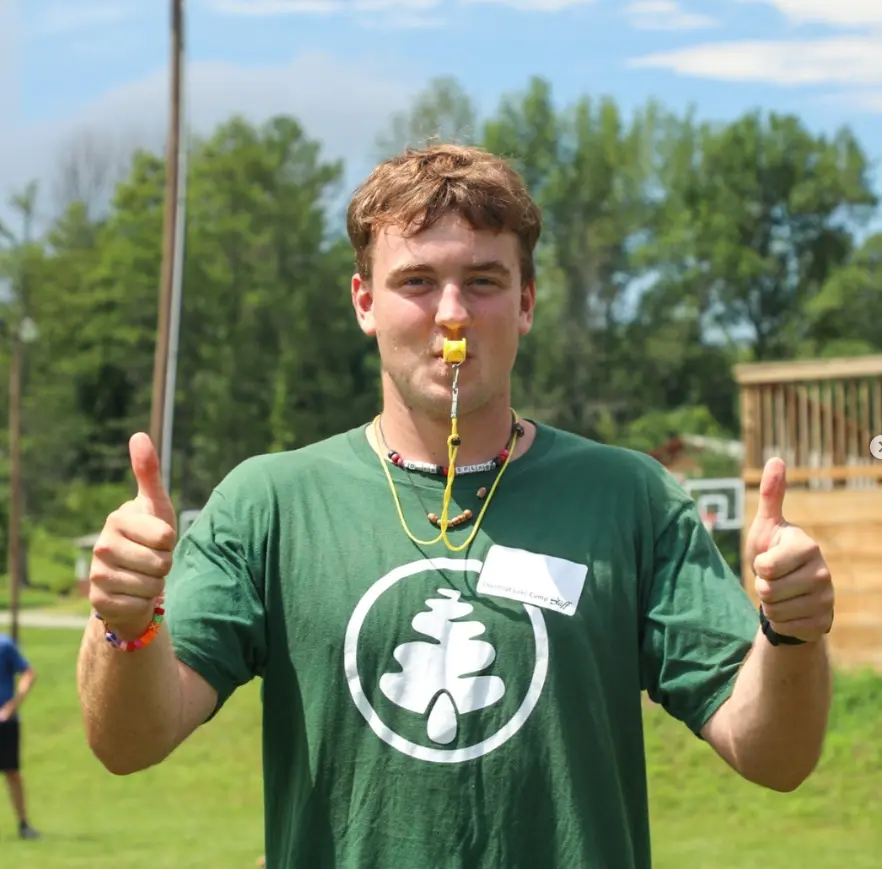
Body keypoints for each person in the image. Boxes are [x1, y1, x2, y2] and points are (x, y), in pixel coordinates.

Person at [76, 144, 835, 869]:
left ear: (527, 302)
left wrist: (790, 633)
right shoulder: (270, 502)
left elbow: (775, 756)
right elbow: (129, 742)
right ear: (364, 302)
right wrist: (126, 621)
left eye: (483, 281)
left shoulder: (630, 498)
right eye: (416, 282)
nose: (452, 314)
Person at [0, 632, 40, 840]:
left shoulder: (4, 644)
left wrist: (13, 705)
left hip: (5, 721)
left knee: (12, 772)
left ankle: (23, 824)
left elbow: (28, 672)